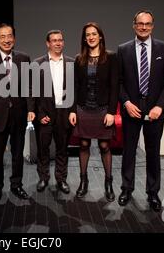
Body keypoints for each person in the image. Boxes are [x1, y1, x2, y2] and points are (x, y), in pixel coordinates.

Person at [117, 10, 164, 211]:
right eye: (140, 23)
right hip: (131, 109)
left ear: (153, 25)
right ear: (134, 25)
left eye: (148, 24)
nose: (144, 27)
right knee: (129, 152)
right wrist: (126, 103)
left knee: (153, 153)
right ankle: (126, 188)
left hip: (155, 110)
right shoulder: (123, 49)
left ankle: (153, 193)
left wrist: (160, 105)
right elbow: (118, 81)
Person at [0, 23, 35, 203]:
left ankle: (16, 185)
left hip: (18, 115)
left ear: (14, 39)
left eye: (9, 36)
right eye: (2, 37)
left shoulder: (24, 58)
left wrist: (31, 109)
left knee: (17, 154)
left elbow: (28, 87)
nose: (6, 40)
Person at [69, 22, 119, 200]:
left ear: (100, 37)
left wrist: (112, 112)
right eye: (87, 34)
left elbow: (115, 87)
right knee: (83, 145)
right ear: (84, 38)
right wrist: (73, 109)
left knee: (105, 145)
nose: (90, 37)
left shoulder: (111, 57)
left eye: (94, 34)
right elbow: (74, 86)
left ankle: (108, 182)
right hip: (83, 108)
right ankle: (84, 181)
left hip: (103, 109)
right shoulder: (79, 59)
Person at [34, 30, 74, 194]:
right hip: (45, 114)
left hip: (64, 113)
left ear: (63, 43)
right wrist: (39, 113)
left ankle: (61, 179)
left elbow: (75, 90)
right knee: (43, 148)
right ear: (48, 43)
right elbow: (33, 92)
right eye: (54, 40)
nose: (58, 43)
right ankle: (43, 178)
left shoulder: (71, 63)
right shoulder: (38, 63)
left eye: (60, 40)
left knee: (62, 148)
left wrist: (73, 111)